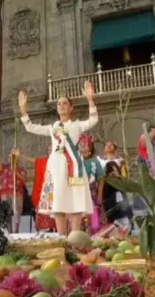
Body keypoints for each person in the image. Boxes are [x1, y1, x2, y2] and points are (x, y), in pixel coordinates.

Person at [18, 80, 99, 235]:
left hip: (74, 167)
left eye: (65, 103)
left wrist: (90, 100)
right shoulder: (53, 127)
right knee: (58, 201)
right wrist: (23, 110)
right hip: (56, 167)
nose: (61, 106)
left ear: (71, 108)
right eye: (59, 104)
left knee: (76, 199)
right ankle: (61, 237)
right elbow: (30, 127)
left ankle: (75, 236)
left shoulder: (77, 125)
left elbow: (93, 120)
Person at [15, 146, 57, 231]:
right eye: (48, 149)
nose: (50, 151)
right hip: (46, 189)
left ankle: (57, 227)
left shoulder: (60, 161)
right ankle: (48, 228)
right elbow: (33, 160)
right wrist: (20, 155)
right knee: (45, 209)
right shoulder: (43, 161)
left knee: (57, 210)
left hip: (57, 189)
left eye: (52, 149)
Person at [78, 132, 104, 234]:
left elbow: (101, 179)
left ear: (90, 148)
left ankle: (95, 235)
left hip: (93, 193)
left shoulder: (95, 161)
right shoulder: (74, 162)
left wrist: (100, 195)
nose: (83, 148)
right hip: (78, 194)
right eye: (81, 146)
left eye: (86, 146)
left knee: (94, 216)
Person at [0, 148, 27, 233]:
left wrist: (15, 171)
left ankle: (16, 231)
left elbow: (24, 179)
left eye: (13, 156)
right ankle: (9, 231)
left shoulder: (21, 169)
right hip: (5, 193)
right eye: (10, 156)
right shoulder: (4, 167)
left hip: (17, 193)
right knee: (7, 213)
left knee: (17, 212)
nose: (11, 158)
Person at [102, 161, 133, 230]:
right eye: (112, 171)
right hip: (113, 213)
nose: (114, 173)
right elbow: (105, 197)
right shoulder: (106, 183)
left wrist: (118, 177)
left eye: (116, 171)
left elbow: (128, 188)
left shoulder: (121, 180)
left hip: (124, 212)